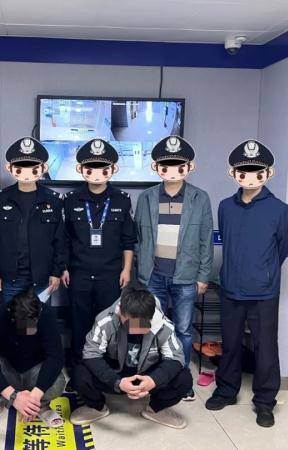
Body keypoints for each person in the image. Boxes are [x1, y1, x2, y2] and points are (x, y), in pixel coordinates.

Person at [205, 140, 288, 428]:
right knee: (229, 344)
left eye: (257, 171)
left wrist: (264, 273)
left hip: (264, 293)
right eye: (244, 172)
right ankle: (226, 391)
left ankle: (265, 402)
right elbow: (227, 241)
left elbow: (282, 249)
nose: (250, 177)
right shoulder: (225, 207)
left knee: (265, 348)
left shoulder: (279, 209)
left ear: (268, 173)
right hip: (231, 288)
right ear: (234, 174)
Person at [134, 135, 213, 401]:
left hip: (186, 278)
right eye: (165, 165)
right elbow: (138, 238)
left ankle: (181, 380)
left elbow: (205, 240)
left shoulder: (199, 198)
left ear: (189, 167)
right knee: (149, 329)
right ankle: (150, 379)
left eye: (179, 166)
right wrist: (140, 270)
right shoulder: (146, 197)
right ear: (156, 167)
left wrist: (203, 276)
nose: (171, 171)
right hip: (152, 276)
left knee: (183, 331)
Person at [70, 283, 192, 428]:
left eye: (141, 323)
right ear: (120, 311)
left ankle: (155, 409)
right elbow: (91, 354)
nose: (135, 327)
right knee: (79, 374)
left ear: (150, 317)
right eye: (129, 322)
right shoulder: (106, 320)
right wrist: (117, 382)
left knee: (184, 379)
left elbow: (176, 358)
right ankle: (97, 407)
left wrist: (153, 380)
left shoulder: (163, 325)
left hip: (147, 374)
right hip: (116, 373)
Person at [63, 138, 136, 367]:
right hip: (79, 274)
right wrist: (63, 268)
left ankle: (105, 366)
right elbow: (64, 239)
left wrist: (126, 269)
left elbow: (128, 240)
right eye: (90, 168)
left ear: (112, 169)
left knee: (109, 323)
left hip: (110, 274)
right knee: (79, 323)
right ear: (81, 169)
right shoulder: (71, 200)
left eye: (102, 168)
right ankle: (79, 367)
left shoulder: (122, 200)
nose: (96, 173)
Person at [0, 137, 67, 302]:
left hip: (43, 278)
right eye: (20, 167)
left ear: (43, 168)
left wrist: (56, 272)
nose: (26, 172)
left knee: (41, 317)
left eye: (33, 168)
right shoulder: (1, 199)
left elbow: (60, 241)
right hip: (10, 278)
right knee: (12, 316)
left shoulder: (53, 200)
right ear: (10, 168)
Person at [0, 289, 66, 429]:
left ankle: (40, 405)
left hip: (35, 368)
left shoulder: (46, 314)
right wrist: (13, 396)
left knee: (58, 382)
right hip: (7, 367)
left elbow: (55, 357)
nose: (29, 329)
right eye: (24, 325)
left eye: (32, 323)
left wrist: (35, 397)